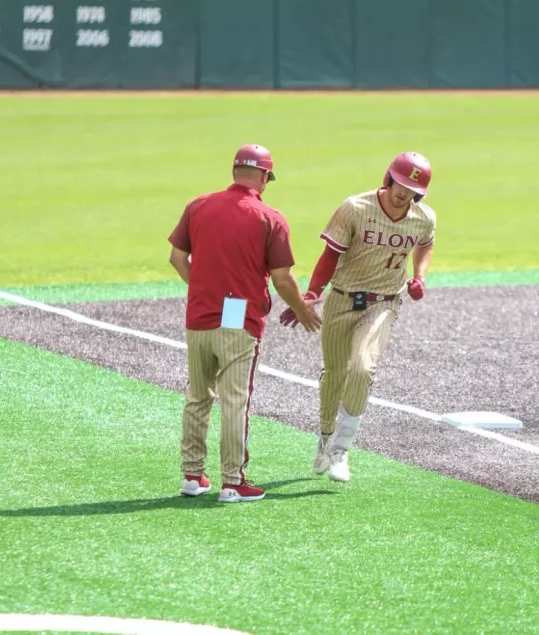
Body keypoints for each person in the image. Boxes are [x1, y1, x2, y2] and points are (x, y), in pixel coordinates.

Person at [168, 144, 321, 503]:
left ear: (235, 171)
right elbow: (283, 279)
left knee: (197, 396)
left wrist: (203, 288)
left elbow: (177, 257)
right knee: (235, 400)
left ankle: (192, 476)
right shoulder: (270, 217)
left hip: (199, 316)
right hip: (240, 320)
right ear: (265, 176)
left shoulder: (199, 206)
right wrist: (302, 309)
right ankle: (233, 482)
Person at [278, 151, 437, 482]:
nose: (403, 193)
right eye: (400, 184)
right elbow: (329, 255)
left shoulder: (424, 217)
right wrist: (310, 294)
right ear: (388, 178)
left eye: (411, 190)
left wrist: (419, 276)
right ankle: (324, 438)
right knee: (334, 374)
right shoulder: (355, 208)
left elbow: (426, 243)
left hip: (385, 301)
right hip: (342, 299)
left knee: (363, 367)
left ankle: (342, 449)